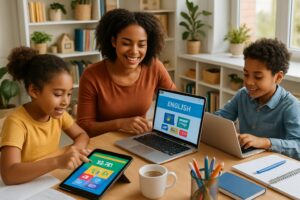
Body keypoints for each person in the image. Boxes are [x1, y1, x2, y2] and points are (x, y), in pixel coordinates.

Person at [77, 9, 176, 137]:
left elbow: (175, 104)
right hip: (103, 145)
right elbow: (84, 126)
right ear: (114, 42)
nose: (134, 51)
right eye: (126, 43)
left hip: (139, 140)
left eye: (141, 45)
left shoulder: (155, 67)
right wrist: (120, 124)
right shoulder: (92, 74)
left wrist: (155, 123)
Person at [0, 47, 90, 185]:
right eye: (58, 94)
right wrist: (57, 161)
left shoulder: (58, 114)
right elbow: (9, 174)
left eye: (69, 93)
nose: (65, 101)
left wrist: (76, 148)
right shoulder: (16, 123)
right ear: (34, 91)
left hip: (48, 178)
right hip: (24, 185)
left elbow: (82, 135)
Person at [215, 38, 300, 160]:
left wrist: (265, 142)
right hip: (244, 160)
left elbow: (298, 146)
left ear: (278, 77)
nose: (248, 82)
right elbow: (220, 119)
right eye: (246, 74)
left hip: (273, 166)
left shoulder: (291, 106)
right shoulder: (243, 95)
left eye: (258, 77)